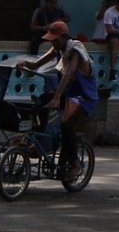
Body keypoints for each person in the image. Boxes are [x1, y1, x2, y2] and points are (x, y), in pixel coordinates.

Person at [17, 20, 97, 183]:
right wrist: (24, 64)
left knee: (66, 126)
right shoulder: (58, 49)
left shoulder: (75, 49)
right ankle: (39, 144)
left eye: (56, 39)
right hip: (70, 95)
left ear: (64, 37)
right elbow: (37, 64)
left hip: (84, 98)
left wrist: (56, 97)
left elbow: (68, 75)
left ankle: (75, 164)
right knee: (41, 102)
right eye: (51, 40)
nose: (53, 42)